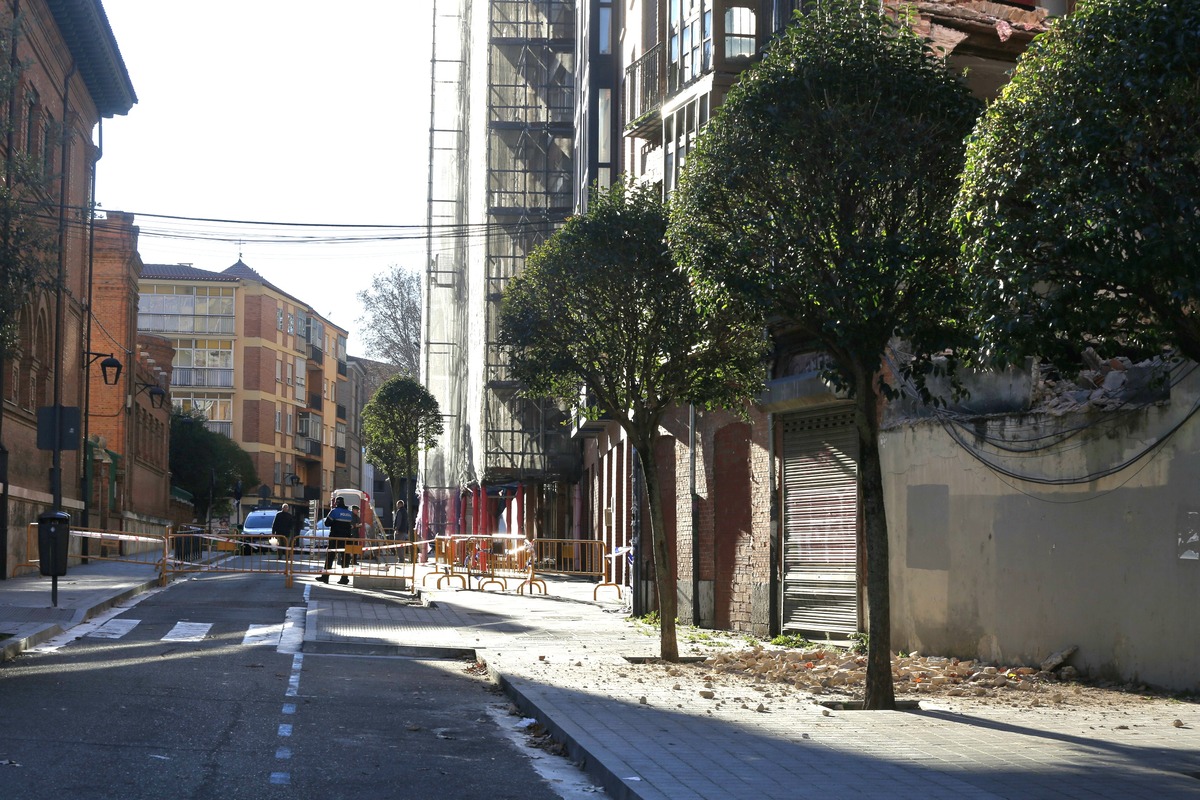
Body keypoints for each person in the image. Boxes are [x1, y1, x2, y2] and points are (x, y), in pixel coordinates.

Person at [319, 497, 355, 584]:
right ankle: (344, 578)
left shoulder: (334, 511)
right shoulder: (349, 513)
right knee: (345, 559)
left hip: (335, 538)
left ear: (336, 503)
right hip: (346, 539)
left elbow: (327, 523)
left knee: (330, 557)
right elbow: (352, 525)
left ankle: (325, 577)